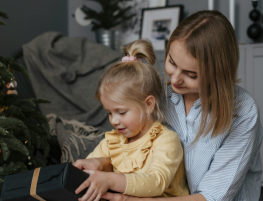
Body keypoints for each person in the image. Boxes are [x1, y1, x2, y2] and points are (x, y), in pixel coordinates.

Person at [77, 10, 263, 201]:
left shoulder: (243, 111)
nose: (174, 79)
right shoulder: (158, 97)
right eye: (171, 63)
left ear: (218, 74)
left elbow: (213, 197)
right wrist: (101, 163)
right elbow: (132, 150)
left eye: (191, 75)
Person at [73, 39, 190, 201]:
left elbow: (157, 182)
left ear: (148, 104)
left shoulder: (167, 140)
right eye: (109, 113)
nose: (114, 120)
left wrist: (109, 179)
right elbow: (90, 175)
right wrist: (93, 164)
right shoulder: (112, 142)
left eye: (121, 112)